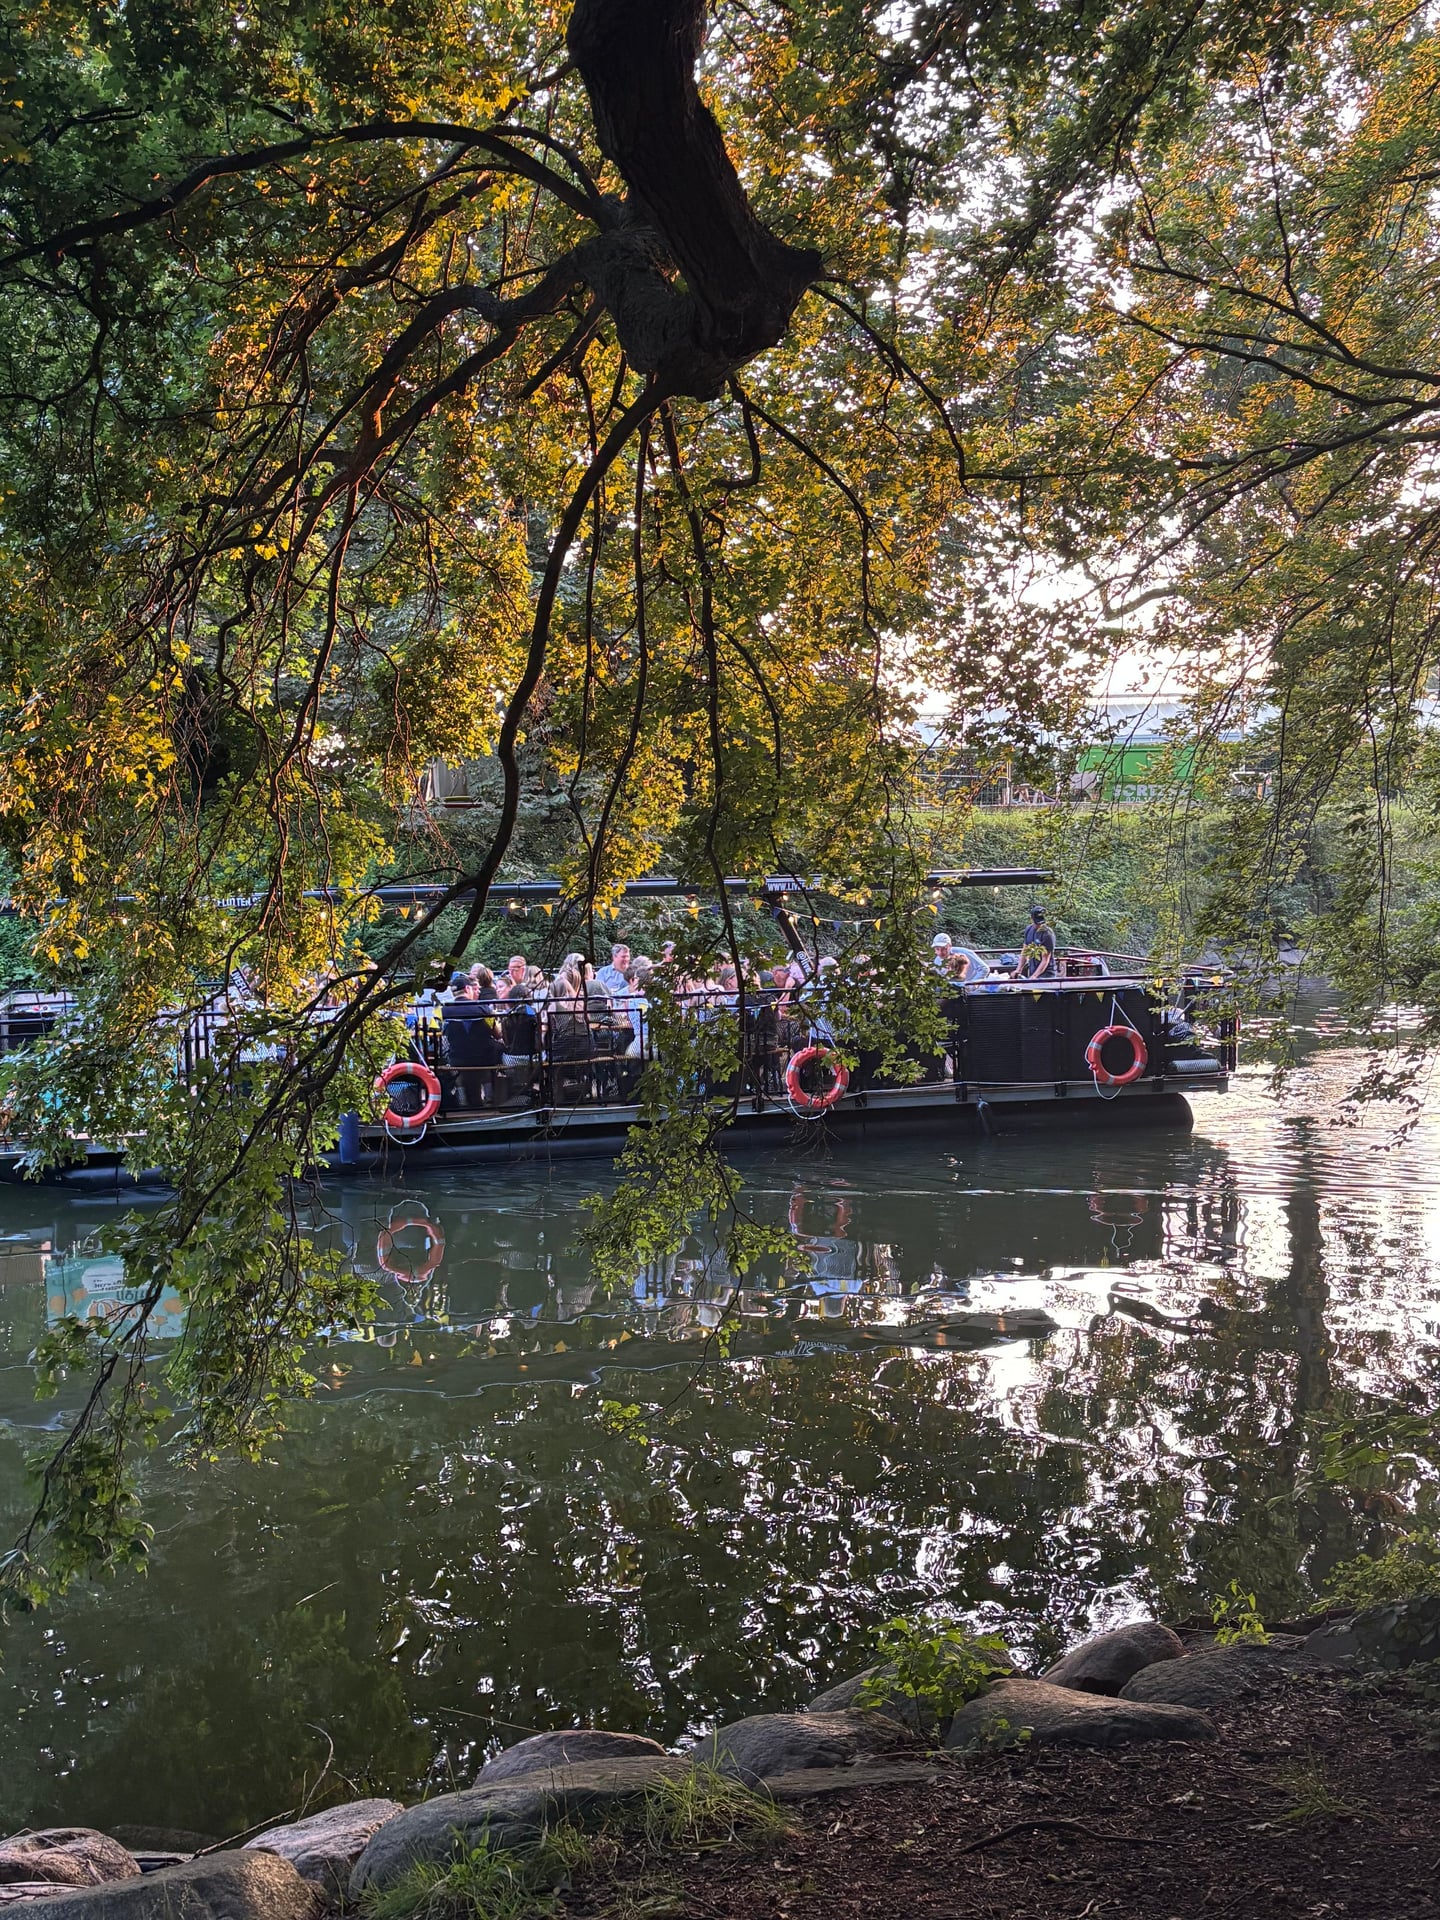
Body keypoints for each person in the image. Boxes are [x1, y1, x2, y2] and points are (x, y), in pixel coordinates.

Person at [1018, 905, 1057, 980]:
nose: (1039, 925)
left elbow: (1045, 959)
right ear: (1031, 919)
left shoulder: (1047, 934)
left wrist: (1035, 976)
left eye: (1040, 923)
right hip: (1033, 969)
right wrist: (1018, 969)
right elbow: (1025, 951)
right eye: (1037, 923)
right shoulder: (1028, 929)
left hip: (1047, 974)